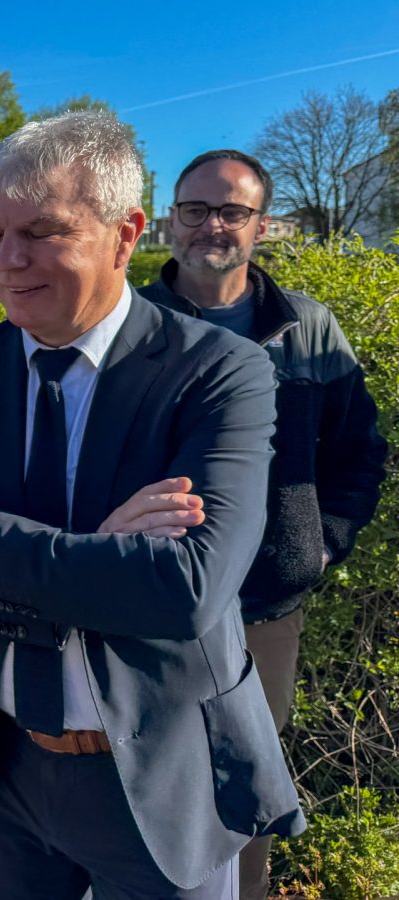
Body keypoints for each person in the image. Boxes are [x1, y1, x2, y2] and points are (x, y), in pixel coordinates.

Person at [0, 112, 305, 899]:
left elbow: (185, 591)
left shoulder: (218, 373)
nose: (7, 260)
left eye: (42, 232)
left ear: (125, 233)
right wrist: (99, 555)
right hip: (3, 766)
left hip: (164, 777)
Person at [141, 149, 387, 900]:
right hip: (144, 600)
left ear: (262, 225)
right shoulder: (130, 324)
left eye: (233, 212)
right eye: (196, 210)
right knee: (141, 766)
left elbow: (361, 449)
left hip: (263, 611)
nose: (212, 226)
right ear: (168, 219)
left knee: (245, 774)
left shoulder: (307, 328)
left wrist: (315, 546)